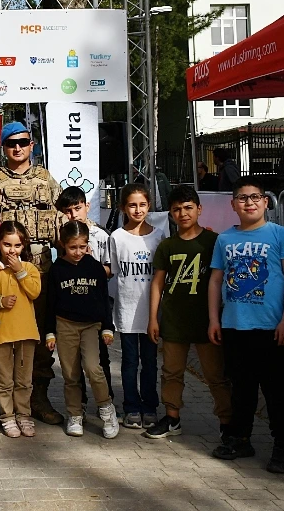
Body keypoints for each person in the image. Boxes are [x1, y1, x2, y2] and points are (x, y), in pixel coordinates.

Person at [0, 121, 65, 426]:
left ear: (31, 145)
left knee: (37, 338)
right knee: (2, 340)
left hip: (38, 270)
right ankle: (3, 405)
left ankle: (37, 398)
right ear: (4, 147)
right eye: (11, 143)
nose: (18, 147)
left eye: (23, 142)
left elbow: (65, 215)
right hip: (3, 274)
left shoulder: (45, 179)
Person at [208, 176, 284, 472]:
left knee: (275, 391)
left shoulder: (280, 236)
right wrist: (214, 319)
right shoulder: (224, 239)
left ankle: (282, 447)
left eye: (255, 197)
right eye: (243, 198)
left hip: (271, 327)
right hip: (235, 325)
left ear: (265, 202)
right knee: (242, 388)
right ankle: (240, 438)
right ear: (233, 204)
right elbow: (216, 280)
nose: (250, 203)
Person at [144, 186, 232, 440]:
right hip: (174, 320)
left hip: (207, 320)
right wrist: (153, 318)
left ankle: (227, 423)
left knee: (216, 375)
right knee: (171, 372)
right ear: (171, 214)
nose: (183, 213)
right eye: (177, 209)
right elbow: (158, 283)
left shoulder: (213, 242)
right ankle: (172, 418)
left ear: (199, 209)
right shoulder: (167, 246)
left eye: (188, 207)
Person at [44, 221, 119, 439]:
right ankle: (75, 414)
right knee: (70, 373)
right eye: (72, 247)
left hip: (91, 326)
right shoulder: (57, 269)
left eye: (82, 246)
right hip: (65, 325)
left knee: (93, 368)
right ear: (63, 246)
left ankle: (106, 409)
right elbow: (51, 303)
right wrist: (50, 332)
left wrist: (107, 327)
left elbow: (104, 300)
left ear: (88, 245)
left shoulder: (95, 268)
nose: (78, 252)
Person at [109, 184, 166, 429]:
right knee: (130, 362)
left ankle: (150, 406)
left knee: (151, 362)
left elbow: (162, 276)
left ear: (149, 206)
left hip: (152, 312)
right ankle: (131, 407)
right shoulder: (117, 237)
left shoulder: (159, 236)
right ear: (123, 207)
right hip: (127, 311)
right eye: (132, 205)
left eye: (142, 204)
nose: (138, 209)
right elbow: (113, 271)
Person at [56, 186, 115, 409]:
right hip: (70, 305)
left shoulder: (101, 235)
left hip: (96, 306)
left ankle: (107, 403)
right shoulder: (62, 236)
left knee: (99, 360)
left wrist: (91, 269)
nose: (73, 215)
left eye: (77, 208)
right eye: (68, 211)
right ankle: (77, 406)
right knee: (73, 365)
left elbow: (110, 268)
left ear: (87, 206)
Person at [0, 221, 42, 438]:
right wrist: (0, 301)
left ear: (24, 246)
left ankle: (24, 414)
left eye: (17, 246)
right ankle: (7, 416)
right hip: (1, 334)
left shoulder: (29, 268)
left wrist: (20, 271)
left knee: (24, 380)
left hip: (26, 333)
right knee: (4, 380)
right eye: (7, 245)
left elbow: (34, 292)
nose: (12, 250)